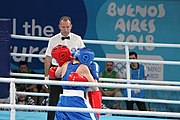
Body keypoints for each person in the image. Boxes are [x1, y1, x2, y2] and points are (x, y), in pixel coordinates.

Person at [44, 16, 85, 120]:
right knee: (53, 99)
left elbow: (84, 56)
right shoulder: (53, 40)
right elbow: (48, 58)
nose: (65, 30)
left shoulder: (77, 39)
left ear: (71, 26)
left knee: (71, 99)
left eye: (67, 27)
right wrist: (46, 76)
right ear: (59, 27)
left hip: (71, 72)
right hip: (56, 71)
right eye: (63, 27)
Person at [49, 45, 101, 120]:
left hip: (62, 100)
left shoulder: (65, 64)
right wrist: (95, 76)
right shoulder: (83, 67)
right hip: (77, 100)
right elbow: (95, 88)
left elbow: (55, 74)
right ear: (85, 58)